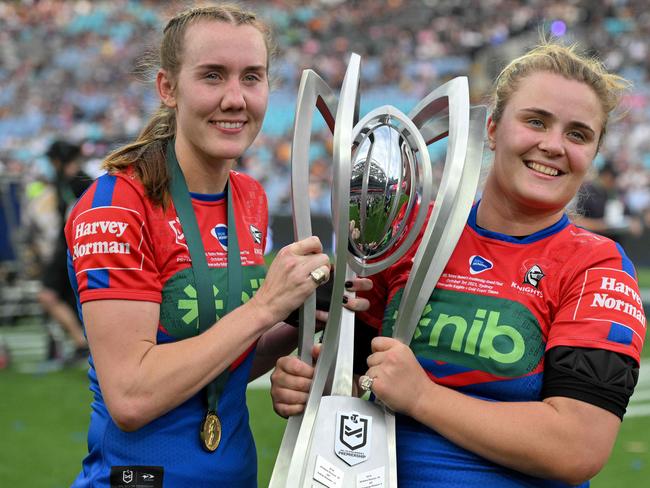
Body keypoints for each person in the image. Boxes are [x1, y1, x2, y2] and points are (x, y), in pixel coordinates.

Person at [270, 40, 646, 487]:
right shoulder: (408, 232)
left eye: (578, 134)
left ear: (594, 154)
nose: (553, 145)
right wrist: (314, 384)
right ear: (491, 129)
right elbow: (359, 375)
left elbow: (578, 446)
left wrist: (423, 397)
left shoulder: (597, 266)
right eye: (535, 121)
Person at [64, 4, 369, 487]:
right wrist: (266, 307)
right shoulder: (116, 206)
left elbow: (219, 364)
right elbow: (132, 397)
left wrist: (302, 322)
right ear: (168, 88)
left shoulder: (249, 198)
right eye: (212, 76)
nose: (235, 98)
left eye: (252, 77)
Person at [39, 139, 91, 363]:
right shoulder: (65, 181)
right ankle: (82, 343)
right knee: (55, 297)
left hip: (71, 249)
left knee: (48, 296)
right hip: (67, 249)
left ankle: (83, 344)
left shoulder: (81, 183)